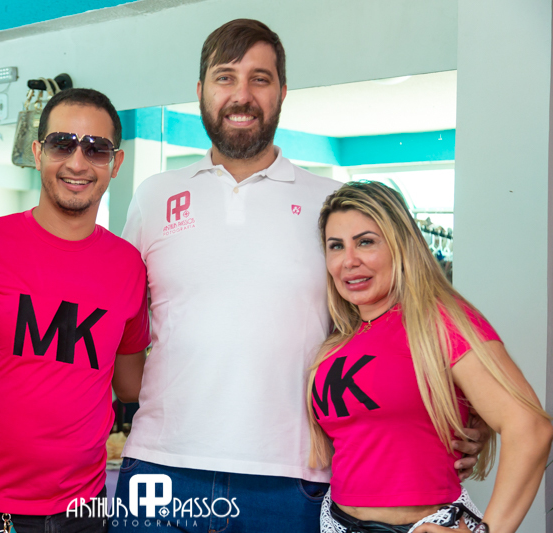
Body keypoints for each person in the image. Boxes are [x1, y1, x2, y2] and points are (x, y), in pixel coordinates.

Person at [112, 19, 483, 533]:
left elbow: (398, 326)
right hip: (161, 465)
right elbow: (117, 322)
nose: (241, 95)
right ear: (200, 91)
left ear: (283, 91)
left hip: (294, 481)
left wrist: (462, 417)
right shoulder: (153, 196)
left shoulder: (329, 203)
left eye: (260, 79)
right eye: (225, 78)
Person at [0, 88, 150, 533]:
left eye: (96, 149)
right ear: (38, 153)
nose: (78, 163)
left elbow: (130, 384)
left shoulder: (128, 266)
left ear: (115, 163)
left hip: (83, 511)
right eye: (63, 144)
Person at [308, 181, 552, 533]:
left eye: (366, 242)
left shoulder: (440, 320)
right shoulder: (337, 340)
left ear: (401, 246)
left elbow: (530, 427)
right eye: (336, 246)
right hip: (336, 522)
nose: (349, 261)